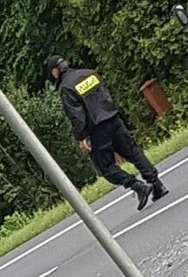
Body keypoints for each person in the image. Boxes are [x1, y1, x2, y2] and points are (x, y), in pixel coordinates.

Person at [46, 55, 168, 211]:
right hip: (113, 118)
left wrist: (80, 137)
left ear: (55, 71)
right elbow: (106, 94)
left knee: (106, 168)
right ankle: (158, 185)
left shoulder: (66, 87)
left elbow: (77, 116)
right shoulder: (90, 73)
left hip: (97, 129)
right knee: (133, 152)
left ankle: (137, 186)